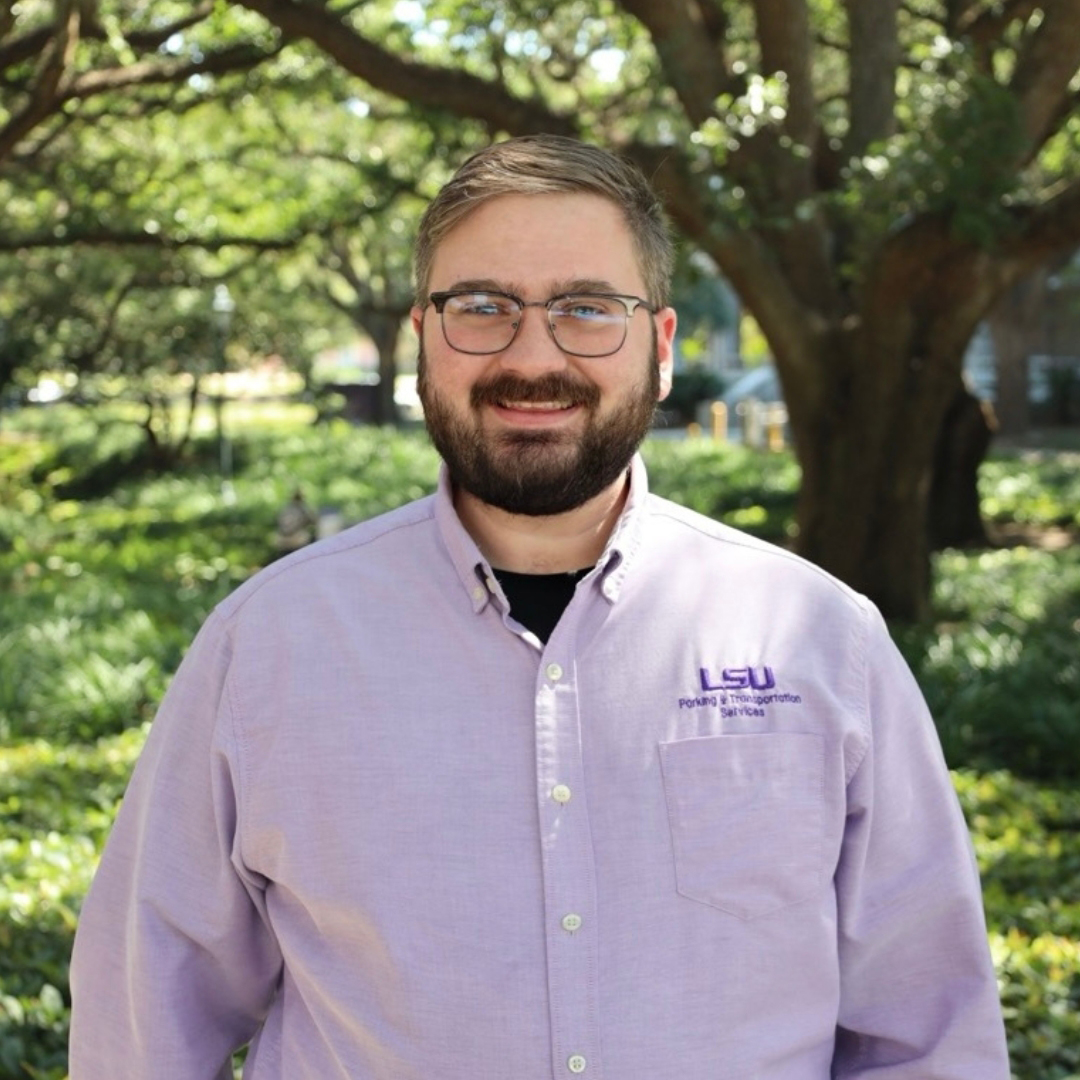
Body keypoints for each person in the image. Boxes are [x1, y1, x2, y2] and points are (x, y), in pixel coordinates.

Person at [69, 135, 1010, 1079]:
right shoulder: (267, 646)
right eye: (481, 307)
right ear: (424, 334)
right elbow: (143, 1017)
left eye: (587, 309)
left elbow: (930, 1036)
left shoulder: (822, 641)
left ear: (662, 343)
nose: (533, 356)